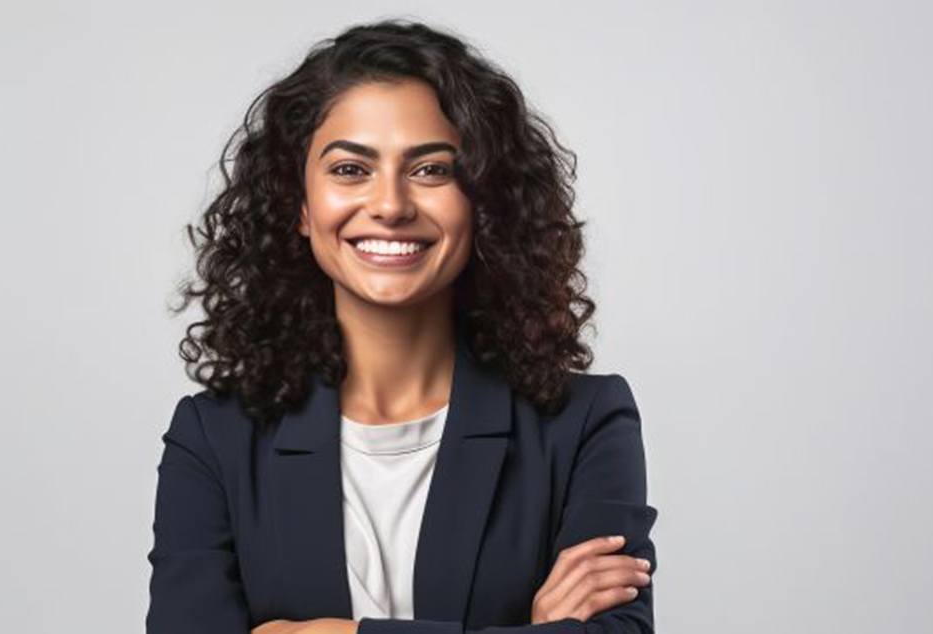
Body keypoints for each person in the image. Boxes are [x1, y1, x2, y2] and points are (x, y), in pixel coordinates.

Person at [147, 19, 659, 634]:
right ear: (300, 208)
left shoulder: (585, 423)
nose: (390, 205)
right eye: (349, 170)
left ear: (481, 200)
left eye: (432, 170)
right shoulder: (213, 440)